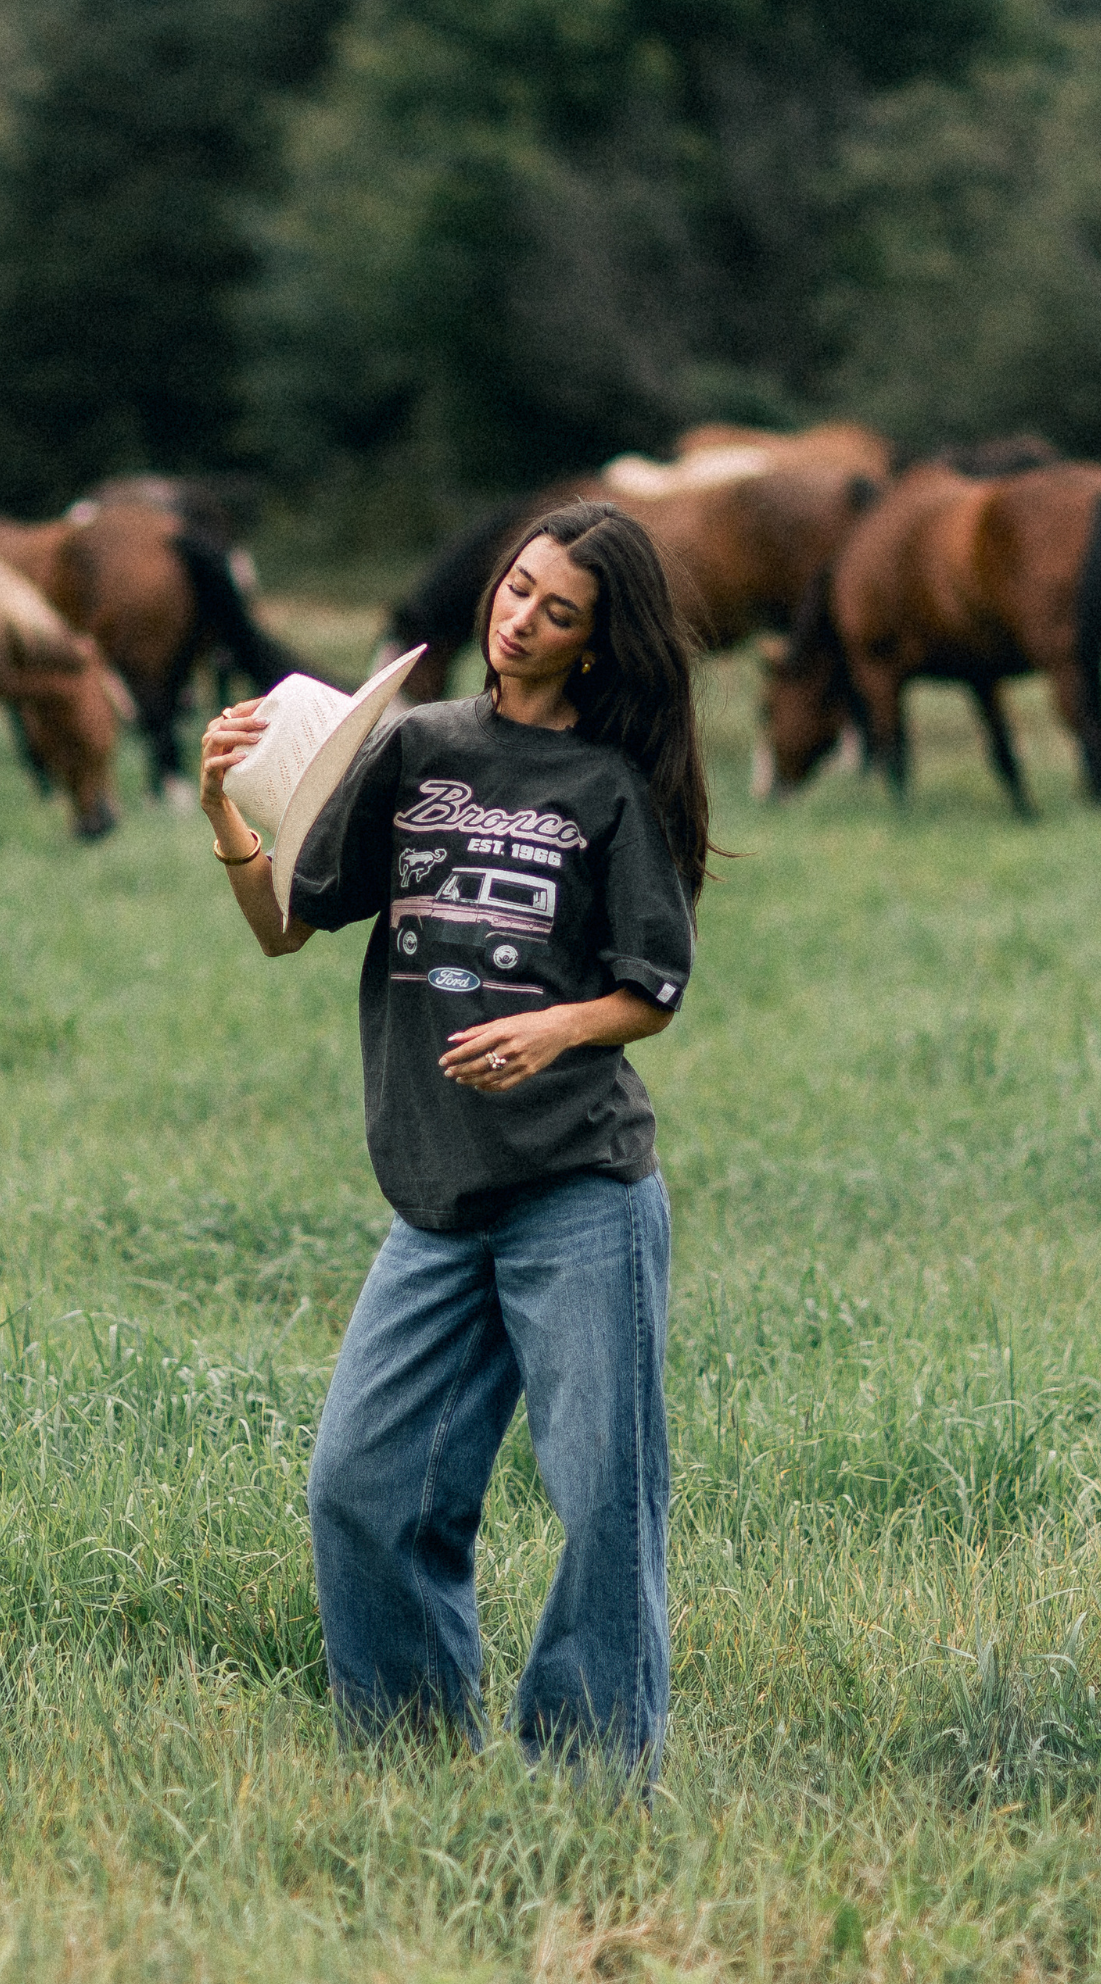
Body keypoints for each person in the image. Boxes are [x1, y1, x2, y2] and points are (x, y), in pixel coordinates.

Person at [198, 500, 709, 1773]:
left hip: (578, 1194)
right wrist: (224, 810)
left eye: (558, 610)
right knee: (362, 1491)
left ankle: (593, 1787)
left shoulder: (611, 787)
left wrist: (555, 1032)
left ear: (596, 643)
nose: (519, 617)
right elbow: (285, 927)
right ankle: (414, 1764)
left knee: (604, 1507)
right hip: (434, 1200)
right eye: (517, 588)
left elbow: (653, 987)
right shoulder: (418, 748)